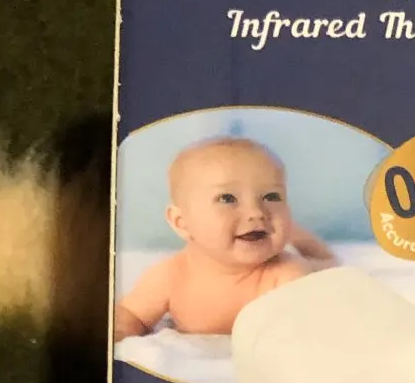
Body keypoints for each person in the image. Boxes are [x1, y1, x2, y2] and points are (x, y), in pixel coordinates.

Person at [113, 136, 334, 341]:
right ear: (181, 222)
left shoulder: (287, 273)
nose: (256, 212)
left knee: (326, 265)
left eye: (271, 196)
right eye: (227, 198)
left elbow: (308, 326)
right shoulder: (170, 275)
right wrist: (123, 330)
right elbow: (131, 314)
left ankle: (306, 242)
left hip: (313, 271)